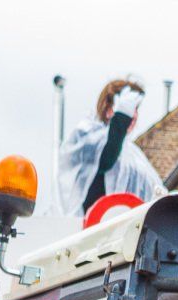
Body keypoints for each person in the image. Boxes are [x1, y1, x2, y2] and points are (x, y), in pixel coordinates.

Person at [57, 76, 166, 217]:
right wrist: (121, 117)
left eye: (136, 110)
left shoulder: (133, 154)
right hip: (92, 224)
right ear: (109, 109)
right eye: (131, 109)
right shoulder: (88, 137)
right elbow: (106, 159)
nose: (134, 116)